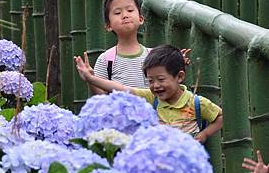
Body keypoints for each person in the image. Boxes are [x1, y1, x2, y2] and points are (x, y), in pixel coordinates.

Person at [75, 44, 223, 144]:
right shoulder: (153, 98)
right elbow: (120, 88)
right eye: (150, 81)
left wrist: (204, 134)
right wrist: (91, 79)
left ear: (180, 77)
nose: (156, 86)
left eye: (160, 79)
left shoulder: (196, 103)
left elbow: (221, 117)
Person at [90, 0, 150, 95]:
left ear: (141, 19)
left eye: (130, 10)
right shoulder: (105, 60)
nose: (125, 15)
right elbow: (101, 98)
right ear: (108, 26)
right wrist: (90, 79)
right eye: (117, 13)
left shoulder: (152, 55)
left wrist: (176, 65)